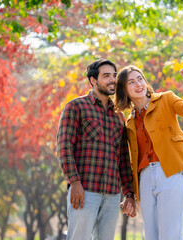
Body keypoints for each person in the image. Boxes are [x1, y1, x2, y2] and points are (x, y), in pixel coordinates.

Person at [115, 57, 183, 240]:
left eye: (140, 79)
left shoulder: (166, 99)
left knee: (171, 235)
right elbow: (132, 158)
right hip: (145, 179)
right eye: (131, 82)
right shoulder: (129, 122)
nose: (138, 84)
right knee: (152, 236)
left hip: (171, 173)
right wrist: (130, 192)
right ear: (124, 90)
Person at [56, 59, 136, 240]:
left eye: (114, 76)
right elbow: (64, 147)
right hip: (85, 190)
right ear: (93, 80)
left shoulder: (119, 116)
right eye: (106, 76)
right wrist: (74, 183)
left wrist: (129, 193)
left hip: (112, 194)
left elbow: (123, 158)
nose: (112, 80)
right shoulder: (76, 107)